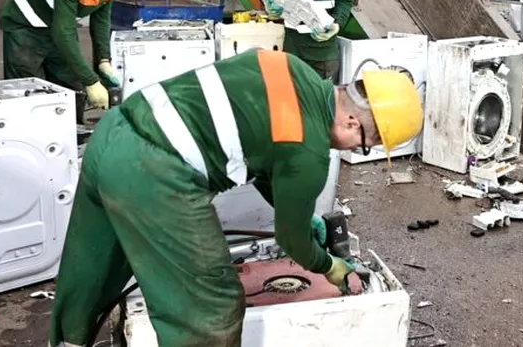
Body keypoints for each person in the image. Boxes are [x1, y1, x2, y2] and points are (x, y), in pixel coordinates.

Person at [48, 49, 423, 347]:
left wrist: (296, 212)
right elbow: (291, 241)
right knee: (212, 307)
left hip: (112, 135)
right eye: (365, 145)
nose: (357, 152)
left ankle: (69, 341)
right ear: (351, 123)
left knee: (95, 261)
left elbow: (263, 158)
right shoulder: (310, 155)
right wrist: (327, 264)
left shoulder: (291, 68)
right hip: (153, 173)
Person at [1, 0, 158, 111]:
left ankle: (73, 135)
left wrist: (103, 60)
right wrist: (90, 80)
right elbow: (64, 32)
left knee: (72, 88)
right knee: (27, 93)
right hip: (25, 26)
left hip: (57, 21)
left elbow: (101, 19)